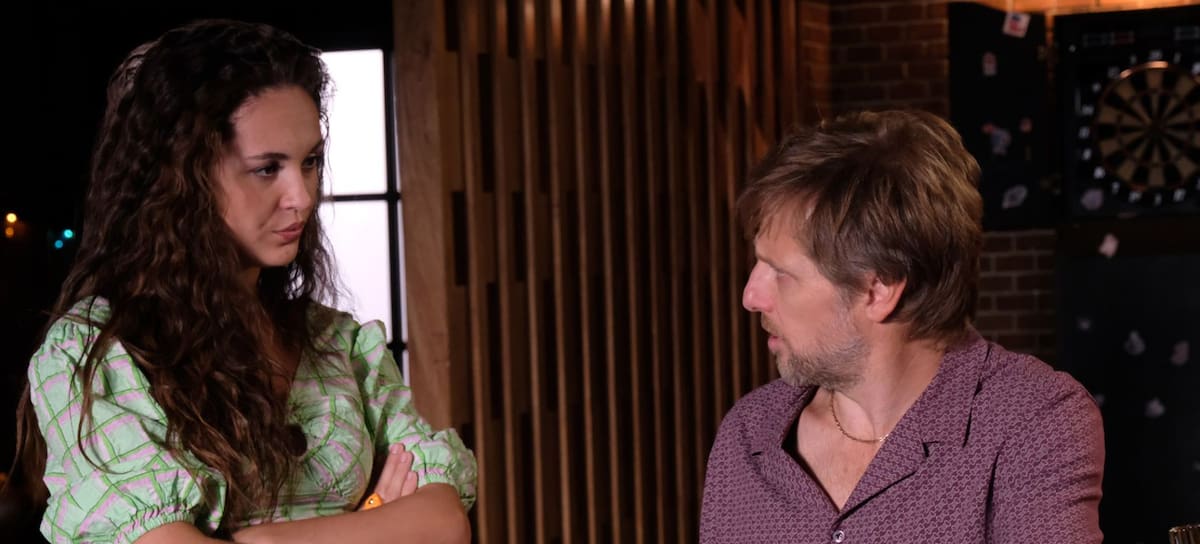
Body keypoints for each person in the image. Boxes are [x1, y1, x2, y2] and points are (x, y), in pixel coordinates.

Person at [3, 19, 475, 543]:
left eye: (310, 161)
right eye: (267, 168)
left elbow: (445, 523)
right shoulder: (98, 351)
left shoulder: (338, 342)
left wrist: (256, 539)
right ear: (184, 175)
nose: (302, 196)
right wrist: (375, 518)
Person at [700, 110, 1104, 542]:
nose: (751, 296)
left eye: (781, 272)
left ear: (879, 289)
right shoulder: (748, 434)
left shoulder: (1030, 420)